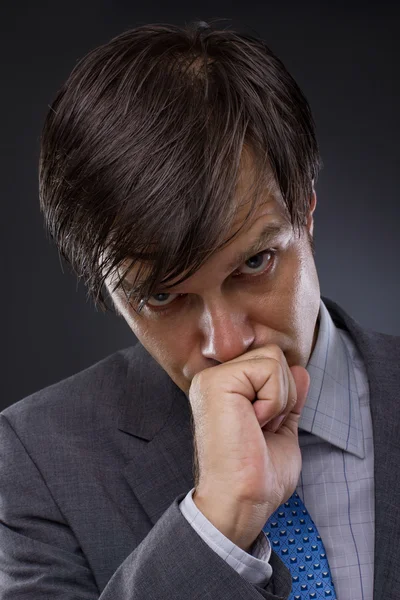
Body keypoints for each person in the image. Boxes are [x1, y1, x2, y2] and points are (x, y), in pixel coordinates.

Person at [0, 20, 399, 600]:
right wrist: (217, 525)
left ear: (306, 213)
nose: (228, 344)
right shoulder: (35, 463)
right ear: (109, 293)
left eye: (255, 263)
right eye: (162, 297)